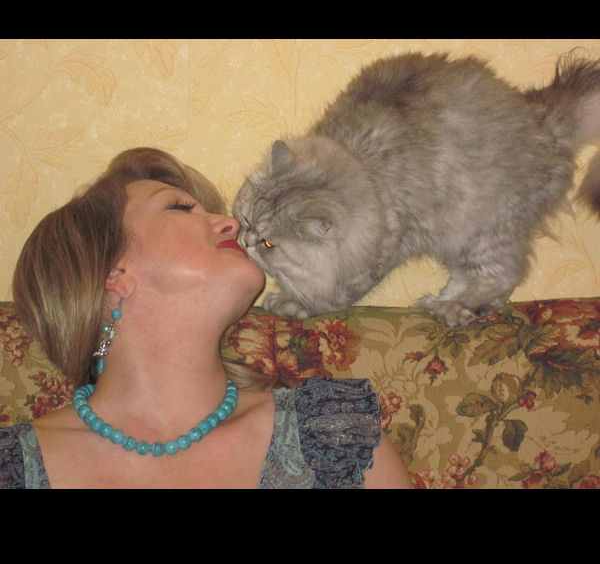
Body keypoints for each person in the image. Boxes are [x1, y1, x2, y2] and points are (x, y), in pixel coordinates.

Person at [0, 147, 413, 489]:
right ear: (113, 270)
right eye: (181, 208)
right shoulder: (15, 467)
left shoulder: (333, 437)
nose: (232, 224)